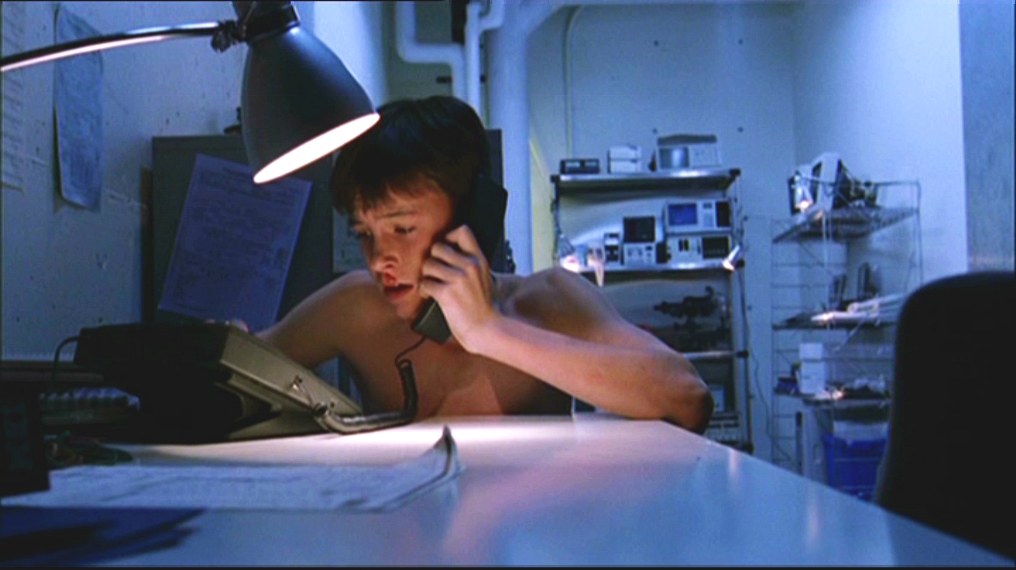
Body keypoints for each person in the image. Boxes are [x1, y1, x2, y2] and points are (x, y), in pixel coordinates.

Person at [257, 95, 714, 433]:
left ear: (470, 218)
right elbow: (237, 363)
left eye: (403, 228)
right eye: (364, 234)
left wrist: (488, 330)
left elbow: (688, 398)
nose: (379, 259)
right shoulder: (357, 306)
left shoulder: (550, 299)